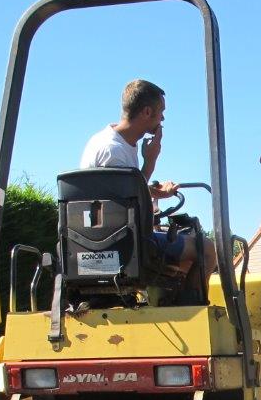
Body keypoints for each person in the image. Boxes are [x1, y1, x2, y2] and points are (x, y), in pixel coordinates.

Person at [79, 78, 217, 277]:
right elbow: (128, 206)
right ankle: (188, 308)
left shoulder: (109, 141)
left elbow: (121, 190)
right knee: (206, 249)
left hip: (108, 237)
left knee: (183, 262)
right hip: (120, 242)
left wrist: (156, 192)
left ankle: (171, 303)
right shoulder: (113, 151)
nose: (162, 119)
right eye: (161, 112)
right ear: (146, 112)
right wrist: (150, 161)